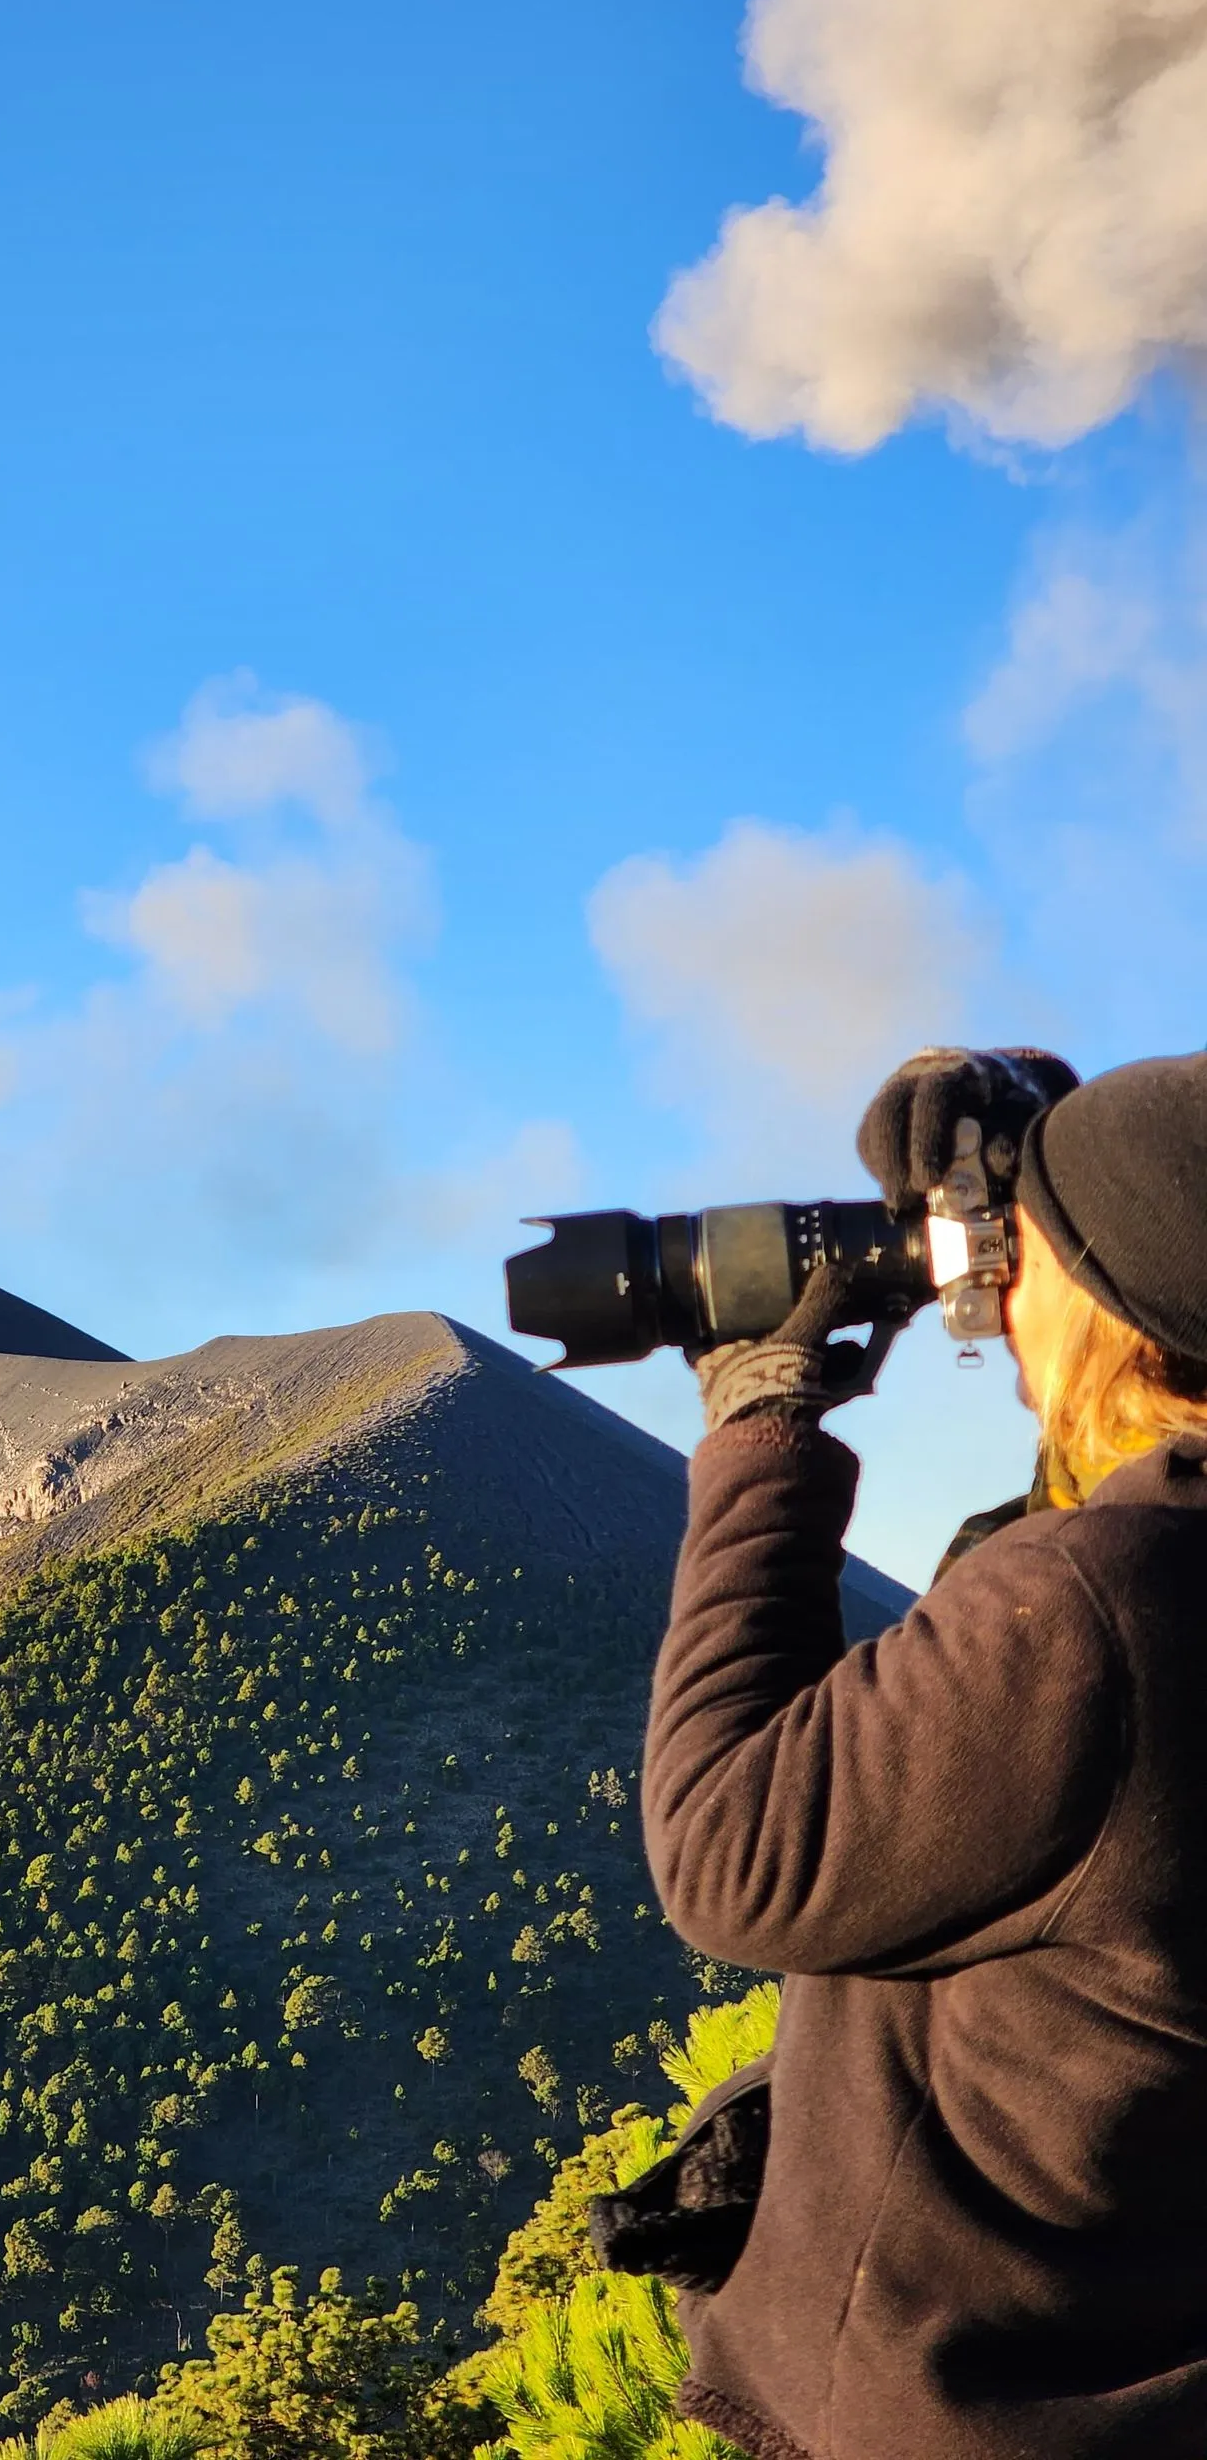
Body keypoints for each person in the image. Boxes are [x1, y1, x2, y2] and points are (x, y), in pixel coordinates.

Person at [642, 1047, 1207, 2460]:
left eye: (1036, 1249)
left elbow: (731, 1855)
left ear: (1121, 1306)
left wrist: (763, 1430)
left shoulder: (1098, 1607)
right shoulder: (1148, 1584)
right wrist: (1053, 1144)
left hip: (982, 2398)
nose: (1003, 1288)